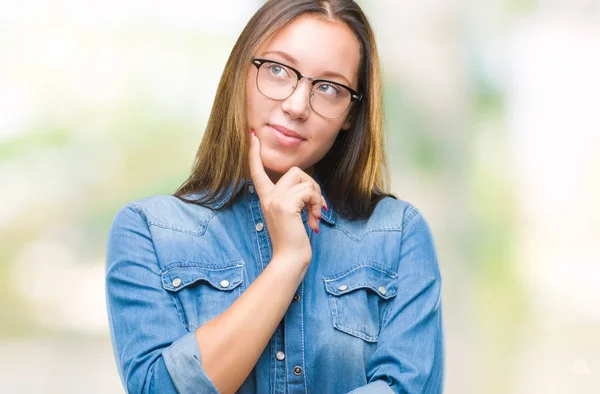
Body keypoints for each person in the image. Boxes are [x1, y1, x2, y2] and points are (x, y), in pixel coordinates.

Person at [105, 1, 445, 393]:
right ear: (241, 74)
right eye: (279, 70)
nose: (297, 105)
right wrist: (287, 262)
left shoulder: (396, 234)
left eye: (329, 88)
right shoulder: (149, 231)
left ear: (352, 113)